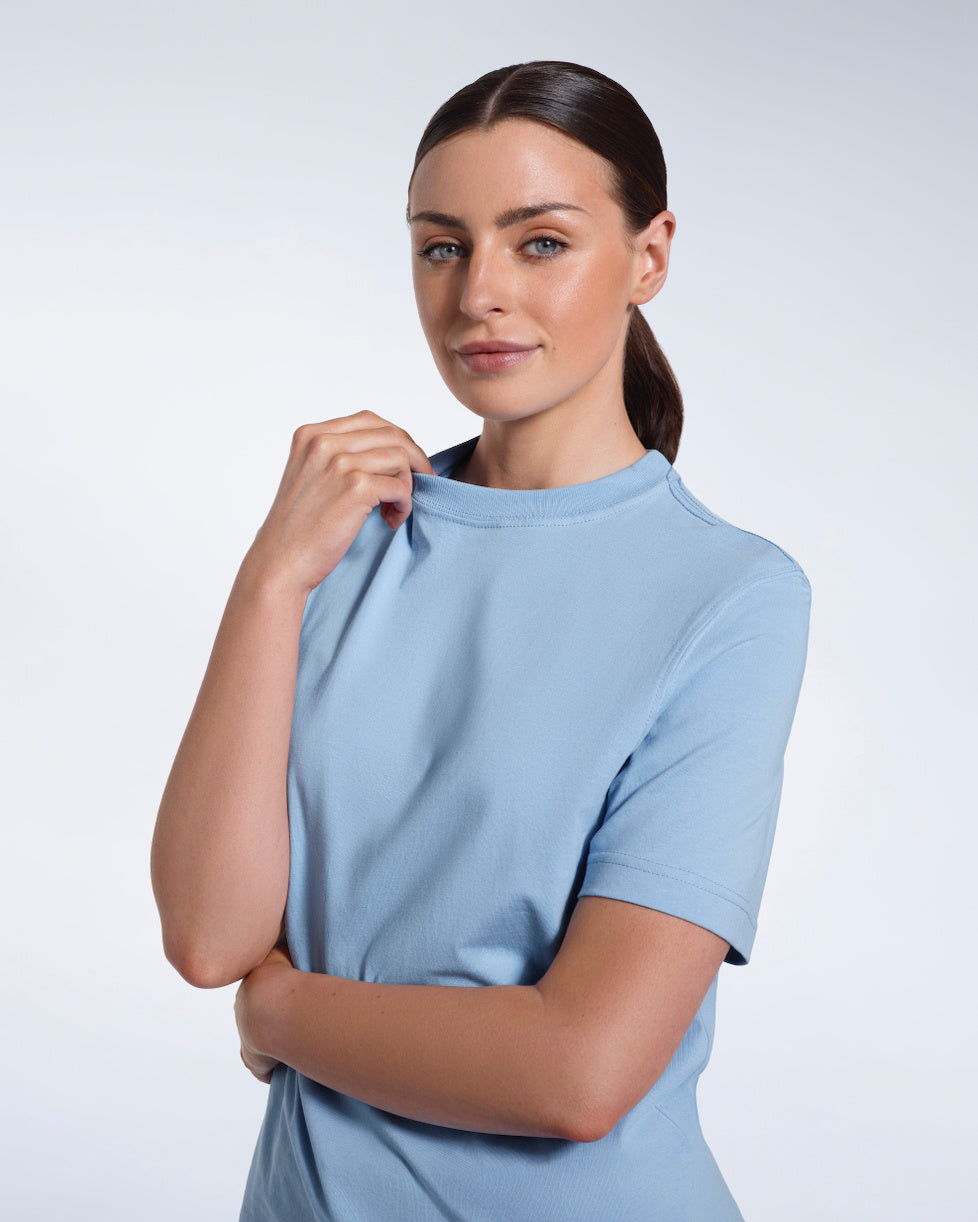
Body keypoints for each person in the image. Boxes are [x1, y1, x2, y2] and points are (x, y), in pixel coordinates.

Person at [151, 60, 810, 1221]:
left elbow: (578, 1069)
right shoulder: (337, 542)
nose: (478, 295)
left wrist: (280, 1014)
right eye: (442, 245)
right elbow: (210, 935)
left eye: (540, 242)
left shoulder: (729, 595)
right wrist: (268, 578)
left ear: (650, 255)